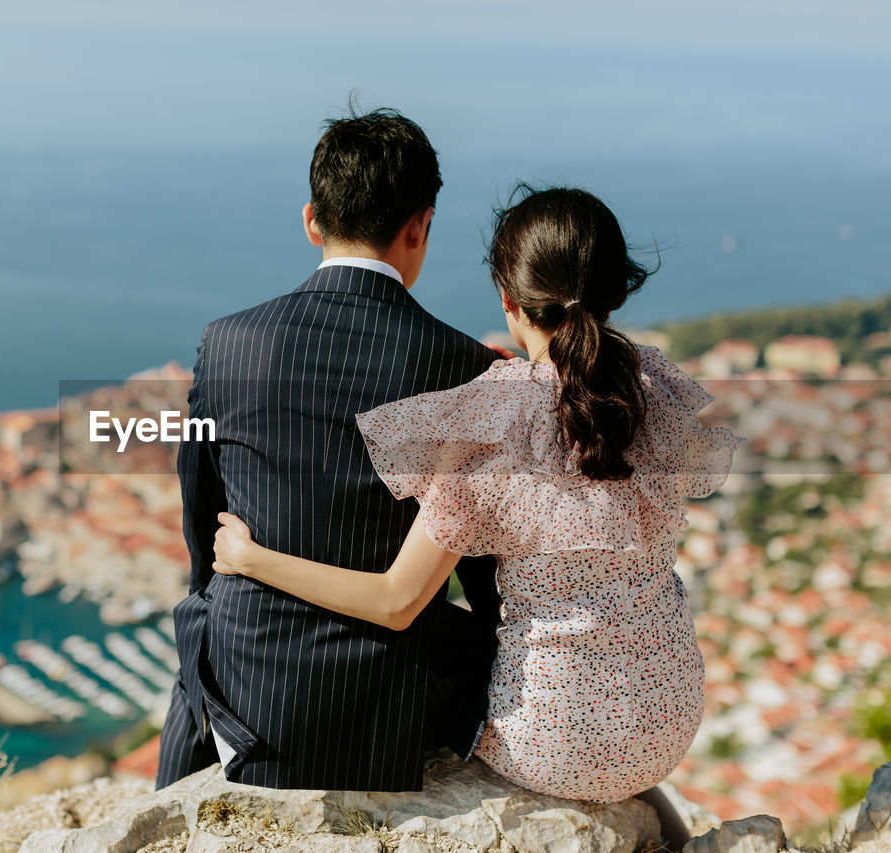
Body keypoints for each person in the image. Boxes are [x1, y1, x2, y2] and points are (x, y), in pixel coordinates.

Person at [210, 186, 744, 846]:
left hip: (553, 746)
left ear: (508, 300)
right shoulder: (649, 386)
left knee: (424, 638)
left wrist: (248, 558)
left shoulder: (495, 424)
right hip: (669, 723)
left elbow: (396, 600)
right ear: (614, 292)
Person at [155, 108, 503, 792]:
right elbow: (489, 572)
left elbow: (202, 512)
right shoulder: (471, 369)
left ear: (312, 220)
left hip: (251, 688)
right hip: (391, 709)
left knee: (200, 608)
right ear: (421, 226)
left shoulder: (226, 343)